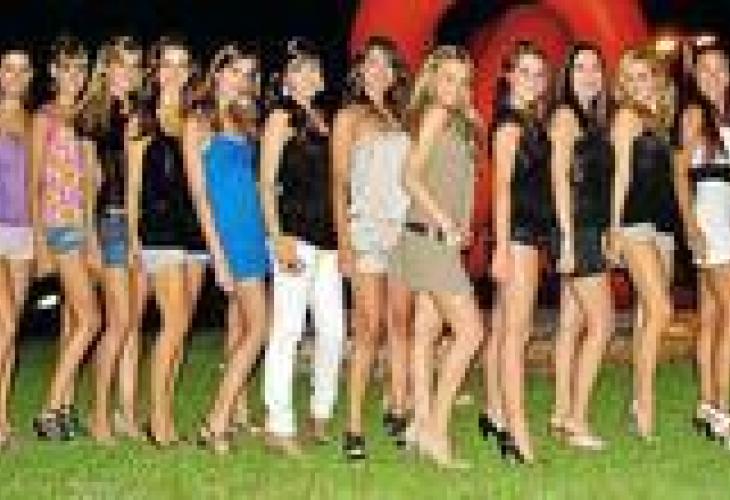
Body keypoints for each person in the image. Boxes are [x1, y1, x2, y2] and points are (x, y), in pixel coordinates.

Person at [389, 45, 483, 469]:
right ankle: (436, 432)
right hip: (430, 238)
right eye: (447, 78)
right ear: (431, 79)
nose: (455, 87)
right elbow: (408, 176)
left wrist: (459, 224)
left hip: (432, 239)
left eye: (463, 80)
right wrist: (446, 221)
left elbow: (452, 180)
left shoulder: (459, 121)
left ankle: (420, 422)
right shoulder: (436, 114)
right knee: (471, 332)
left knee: (426, 331)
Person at [260, 40, 345, 456]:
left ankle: (320, 411)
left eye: (313, 68)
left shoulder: (325, 120)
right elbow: (266, 182)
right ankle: (278, 424)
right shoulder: (281, 117)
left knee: (333, 331)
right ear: (286, 79)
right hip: (294, 235)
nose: (308, 75)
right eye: (299, 69)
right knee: (288, 329)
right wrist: (277, 236)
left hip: (328, 241)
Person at [184, 44, 269, 453]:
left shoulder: (243, 121)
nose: (241, 80)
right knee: (259, 327)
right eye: (234, 71)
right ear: (217, 73)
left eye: (248, 74)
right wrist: (217, 253)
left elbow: (250, 182)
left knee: (240, 327)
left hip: (253, 229)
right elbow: (200, 195)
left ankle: (236, 413)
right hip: (230, 233)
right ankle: (215, 422)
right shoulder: (197, 122)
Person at [332, 36, 412, 459]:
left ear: (395, 72)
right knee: (368, 327)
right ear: (360, 69)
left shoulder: (403, 116)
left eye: (386, 63)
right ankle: (353, 426)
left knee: (401, 322)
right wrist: (343, 243)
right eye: (372, 62)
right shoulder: (349, 116)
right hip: (365, 231)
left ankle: (398, 409)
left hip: (403, 232)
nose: (379, 70)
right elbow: (338, 184)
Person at [132, 37, 206, 446]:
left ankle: (164, 410)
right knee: (173, 323)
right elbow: (133, 188)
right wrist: (133, 241)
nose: (175, 72)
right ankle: (157, 418)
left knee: (183, 326)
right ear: (156, 70)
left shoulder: (197, 117)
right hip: (160, 232)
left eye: (182, 64)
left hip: (194, 233)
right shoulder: (142, 119)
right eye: (167, 64)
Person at [32, 36, 100, 439]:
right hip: (58, 225)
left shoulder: (83, 116)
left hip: (80, 225)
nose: (74, 76)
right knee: (91, 319)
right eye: (67, 68)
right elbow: (35, 182)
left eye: (80, 69)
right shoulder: (45, 117)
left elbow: (88, 180)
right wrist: (40, 242)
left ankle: (63, 408)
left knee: (74, 320)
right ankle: (47, 410)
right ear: (53, 71)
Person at [610, 46, 678, 440]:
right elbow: (620, 176)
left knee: (646, 317)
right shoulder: (627, 116)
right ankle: (645, 402)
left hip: (664, 226)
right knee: (661, 310)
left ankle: (637, 403)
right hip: (634, 223)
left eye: (644, 75)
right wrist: (614, 230)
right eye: (630, 78)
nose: (638, 84)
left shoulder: (664, 119)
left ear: (656, 77)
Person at [549, 43, 614, 450]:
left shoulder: (592, 119)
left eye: (595, 68)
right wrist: (569, 240)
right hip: (577, 231)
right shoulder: (566, 115)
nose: (589, 75)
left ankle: (560, 413)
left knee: (571, 326)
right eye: (580, 68)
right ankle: (577, 420)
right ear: (568, 75)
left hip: (587, 229)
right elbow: (558, 178)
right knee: (602, 326)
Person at [490, 41, 553, 463]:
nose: (532, 80)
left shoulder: (529, 121)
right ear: (509, 76)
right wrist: (501, 248)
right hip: (517, 236)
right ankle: (517, 433)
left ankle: (495, 413)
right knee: (518, 333)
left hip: (525, 235)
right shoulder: (511, 126)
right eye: (524, 71)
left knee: (502, 329)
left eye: (538, 73)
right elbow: (501, 191)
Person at [81, 36, 144, 442]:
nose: (128, 72)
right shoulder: (93, 114)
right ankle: (99, 414)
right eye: (121, 63)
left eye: (134, 64)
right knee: (118, 322)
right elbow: (90, 181)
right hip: (110, 221)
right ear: (106, 67)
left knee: (133, 322)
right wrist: (90, 238)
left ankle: (127, 413)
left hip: (139, 225)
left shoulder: (139, 111)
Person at [674, 41, 730, 441]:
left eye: (720, 68)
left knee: (710, 318)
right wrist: (691, 227)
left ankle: (708, 407)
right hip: (709, 219)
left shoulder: (725, 113)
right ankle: (725, 411)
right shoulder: (694, 113)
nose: (713, 75)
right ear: (695, 76)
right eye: (705, 69)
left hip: (725, 216)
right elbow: (679, 174)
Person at [0, 46, 34, 447]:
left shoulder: (31, 120)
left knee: (10, 332)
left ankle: (3, 420)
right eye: (7, 68)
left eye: (22, 69)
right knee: (5, 325)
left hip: (24, 234)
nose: (15, 75)